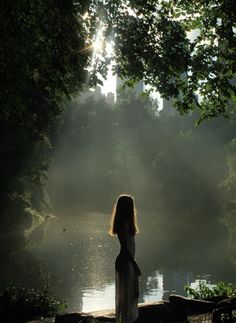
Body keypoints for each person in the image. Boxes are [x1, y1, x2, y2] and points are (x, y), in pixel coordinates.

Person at [110, 194, 141, 323]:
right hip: (126, 263)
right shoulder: (123, 224)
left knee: (133, 294)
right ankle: (126, 320)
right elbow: (124, 247)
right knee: (127, 296)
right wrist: (135, 265)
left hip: (128, 262)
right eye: (131, 205)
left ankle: (129, 319)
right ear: (127, 207)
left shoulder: (127, 223)